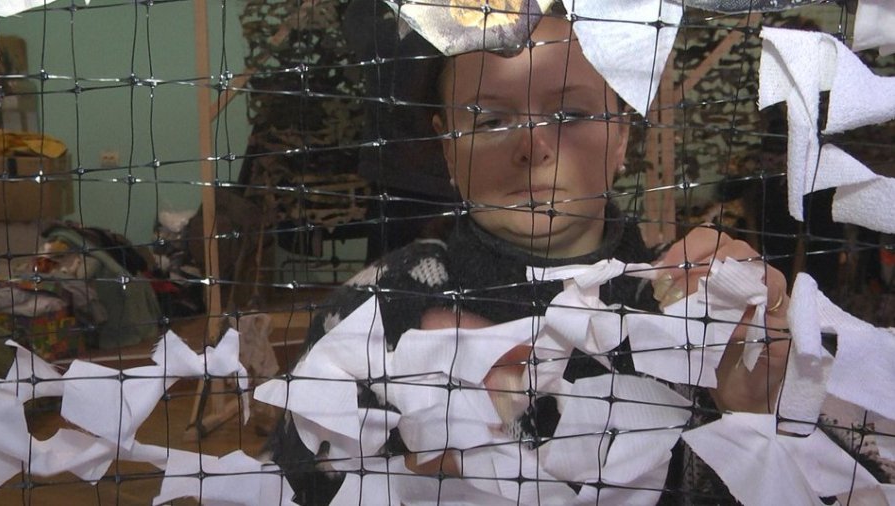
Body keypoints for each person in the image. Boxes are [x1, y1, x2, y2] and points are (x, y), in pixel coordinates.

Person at [270, 10, 790, 505]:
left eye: (570, 114)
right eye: (491, 120)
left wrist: (753, 415)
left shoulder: (700, 308)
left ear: (621, 134)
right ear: (448, 147)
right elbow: (300, 482)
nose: (533, 146)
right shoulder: (373, 310)